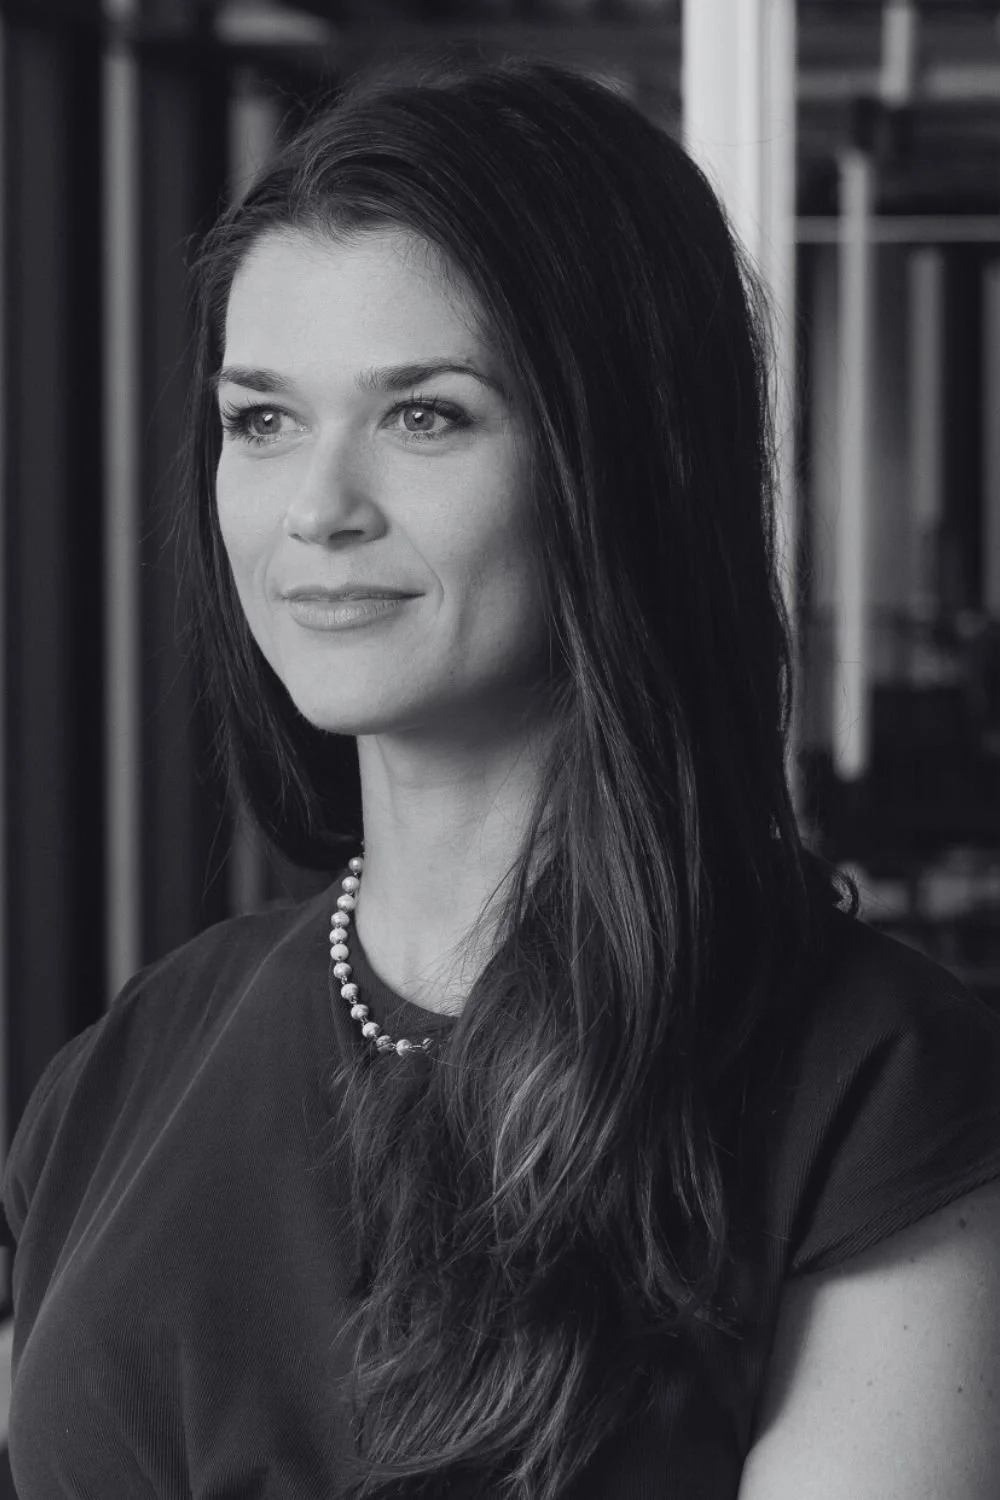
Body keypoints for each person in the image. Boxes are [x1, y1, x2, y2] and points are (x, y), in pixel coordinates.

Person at [4, 52, 1000, 1500]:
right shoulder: (130, 1067)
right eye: (261, 419)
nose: (318, 510)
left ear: (620, 466)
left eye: (426, 415)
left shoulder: (872, 1093)